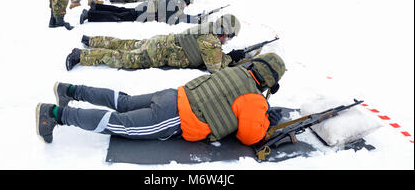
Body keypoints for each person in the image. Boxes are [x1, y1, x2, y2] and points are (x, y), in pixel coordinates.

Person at [36, 53, 286, 145]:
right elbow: (250, 136)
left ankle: (70, 90)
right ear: (268, 82)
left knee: (122, 101)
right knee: (118, 123)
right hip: (175, 118)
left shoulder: (236, 70)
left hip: (171, 96)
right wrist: (266, 121)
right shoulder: (255, 100)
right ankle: (56, 115)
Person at [65, 14, 241, 73]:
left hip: (159, 42)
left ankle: (92, 40)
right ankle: (80, 55)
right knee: (120, 57)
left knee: (125, 44)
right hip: (156, 54)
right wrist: (229, 58)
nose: (227, 40)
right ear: (226, 32)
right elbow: (215, 68)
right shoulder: (211, 42)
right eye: (229, 36)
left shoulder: (207, 28)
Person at [79, 0, 201, 25]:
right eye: (188, 3)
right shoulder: (178, 3)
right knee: (118, 17)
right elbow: (174, 19)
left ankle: (96, 7)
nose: (187, 6)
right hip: (145, 12)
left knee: (120, 10)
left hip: (145, 7)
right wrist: (194, 19)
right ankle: (89, 15)